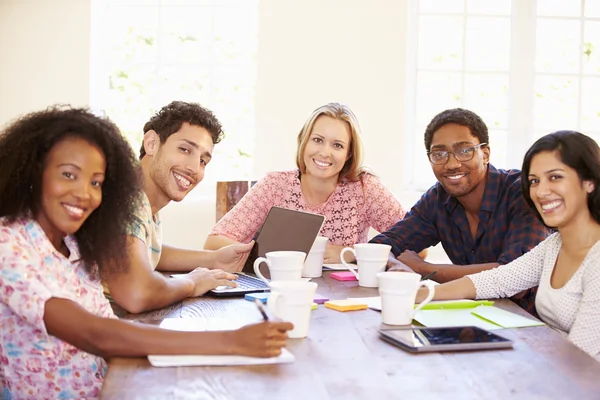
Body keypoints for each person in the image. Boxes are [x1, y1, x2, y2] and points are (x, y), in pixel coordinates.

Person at [0, 107, 293, 399]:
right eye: (68, 174)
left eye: (95, 182)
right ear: (33, 170)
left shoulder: (74, 246)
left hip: (111, 383)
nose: (84, 193)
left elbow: (109, 324)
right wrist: (231, 341)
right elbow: (97, 333)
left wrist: (211, 263)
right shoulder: (8, 246)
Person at [416, 131, 600, 361]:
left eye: (555, 177)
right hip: (555, 366)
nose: (541, 192)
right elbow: (497, 280)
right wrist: (421, 294)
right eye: (534, 181)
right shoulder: (555, 245)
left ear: (589, 182)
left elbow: (581, 359)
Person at [370, 108, 551, 312]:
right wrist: (397, 266)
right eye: (439, 154)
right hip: (473, 317)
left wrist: (425, 269)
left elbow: (515, 278)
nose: (452, 164)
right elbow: (383, 245)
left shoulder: (522, 192)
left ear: (485, 154)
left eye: (464, 151)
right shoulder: (437, 199)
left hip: (532, 325)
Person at [204, 102, 409, 263]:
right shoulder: (275, 185)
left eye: (337, 145)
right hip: (279, 293)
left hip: (345, 301)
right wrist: (268, 254)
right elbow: (213, 243)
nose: (324, 152)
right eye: (317, 140)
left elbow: (416, 247)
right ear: (304, 140)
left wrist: (352, 253)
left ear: (348, 154)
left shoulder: (365, 189)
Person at [104, 101, 255, 314]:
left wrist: (214, 259)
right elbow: (137, 293)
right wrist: (192, 282)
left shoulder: (143, 202)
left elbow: (146, 252)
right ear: (152, 143)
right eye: (185, 149)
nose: (194, 168)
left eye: (203, 161)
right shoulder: (127, 201)